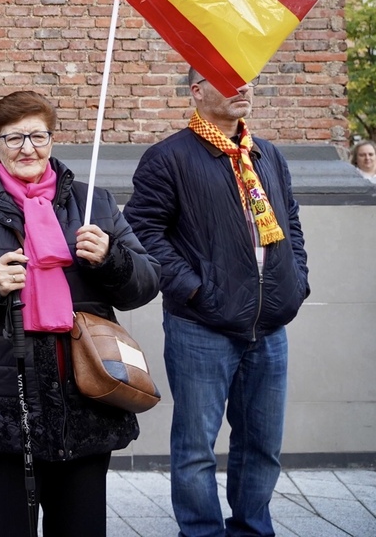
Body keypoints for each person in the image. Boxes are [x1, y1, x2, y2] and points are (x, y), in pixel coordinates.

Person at [0, 91, 160, 537]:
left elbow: (145, 285)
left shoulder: (94, 204)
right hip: (4, 402)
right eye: (13, 138)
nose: (27, 148)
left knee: (81, 527)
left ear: (53, 139)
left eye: (38, 136)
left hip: (84, 396)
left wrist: (110, 258)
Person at [124, 69, 310, 537]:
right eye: (228, 81)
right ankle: (202, 533)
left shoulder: (267, 155)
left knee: (262, 444)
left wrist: (297, 281)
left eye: (247, 80)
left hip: (269, 326)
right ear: (197, 91)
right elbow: (143, 233)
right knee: (195, 448)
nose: (243, 88)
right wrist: (194, 289)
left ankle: (252, 530)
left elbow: (290, 223)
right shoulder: (168, 158)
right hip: (201, 326)